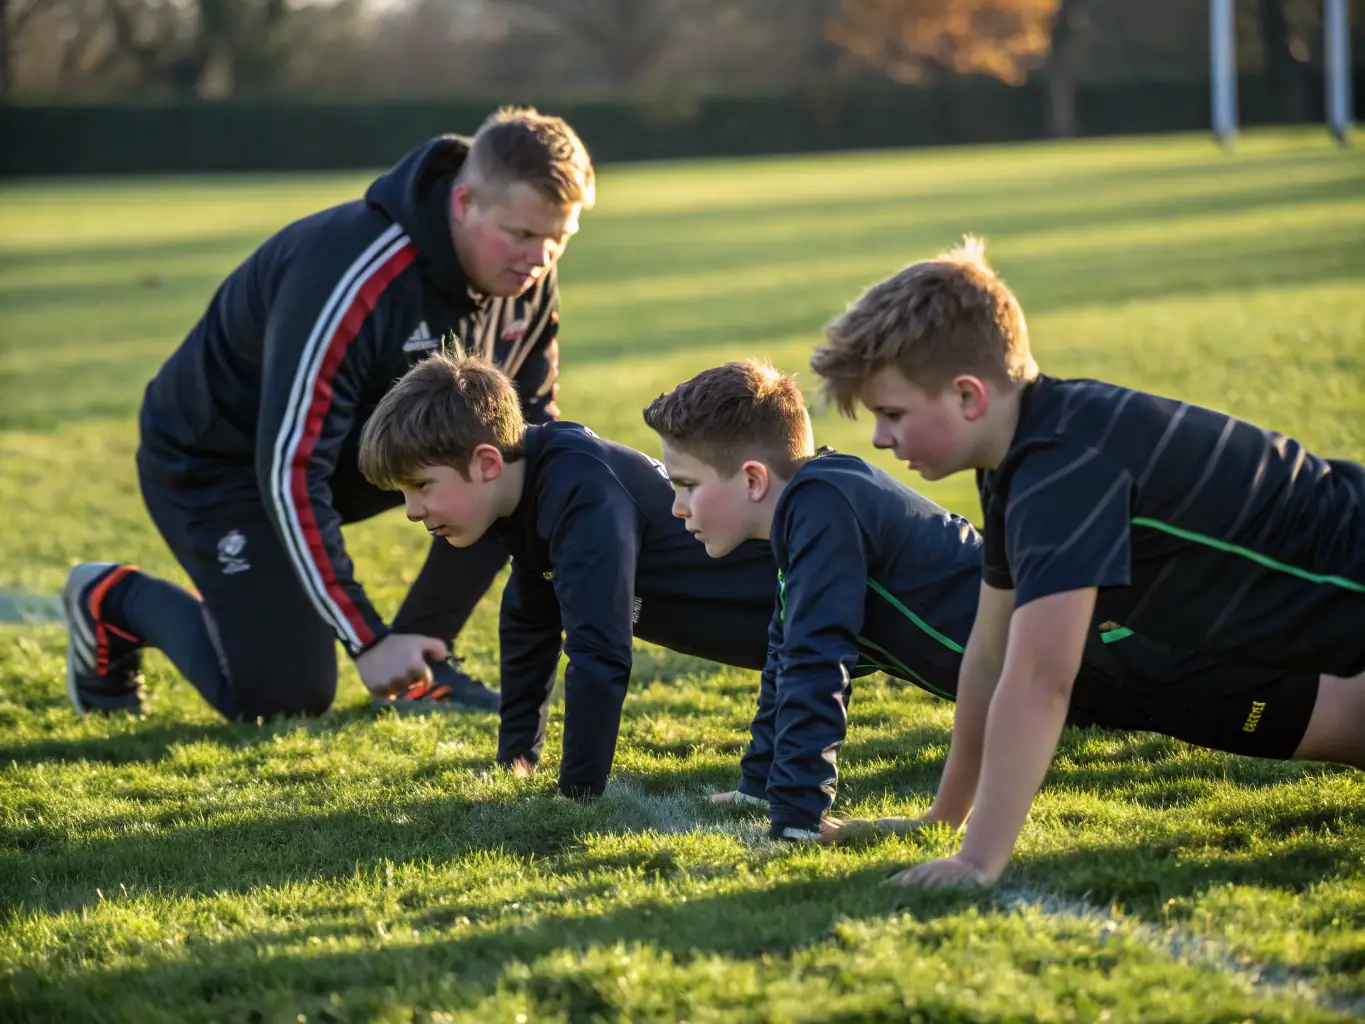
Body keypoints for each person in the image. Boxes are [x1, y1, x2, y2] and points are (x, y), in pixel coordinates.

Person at [807, 237, 1365, 885]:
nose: (879, 438)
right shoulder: (1021, 462)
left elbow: (1041, 679)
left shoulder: (1060, 470)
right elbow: (989, 656)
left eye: (891, 413)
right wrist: (943, 822)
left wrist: (975, 862)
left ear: (968, 396)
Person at [641, 360, 1365, 843]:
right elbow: (786, 649)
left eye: (683, 486)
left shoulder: (821, 506)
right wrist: (756, 787)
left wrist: (795, 816)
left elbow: (814, 658)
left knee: (1341, 719)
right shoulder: (813, 504)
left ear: (754, 479)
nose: (675, 508)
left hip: (1123, 657)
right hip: (1101, 667)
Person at [61, 107, 593, 721]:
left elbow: (527, 436)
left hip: (345, 453)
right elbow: (289, 466)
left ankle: (424, 664)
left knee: (506, 469)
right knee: (286, 698)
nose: (541, 258)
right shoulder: (356, 270)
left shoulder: (527, 283)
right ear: (464, 201)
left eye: (560, 238)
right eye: (522, 235)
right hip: (219, 463)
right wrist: (365, 637)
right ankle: (112, 601)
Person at [355, 352, 779, 799]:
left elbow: (599, 652)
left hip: (831, 615)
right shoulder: (531, 484)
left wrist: (578, 790)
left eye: (421, 486)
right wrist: (518, 757)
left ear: (487, 464)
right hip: (786, 638)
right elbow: (529, 621)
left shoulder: (579, 488)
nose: (411, 510)